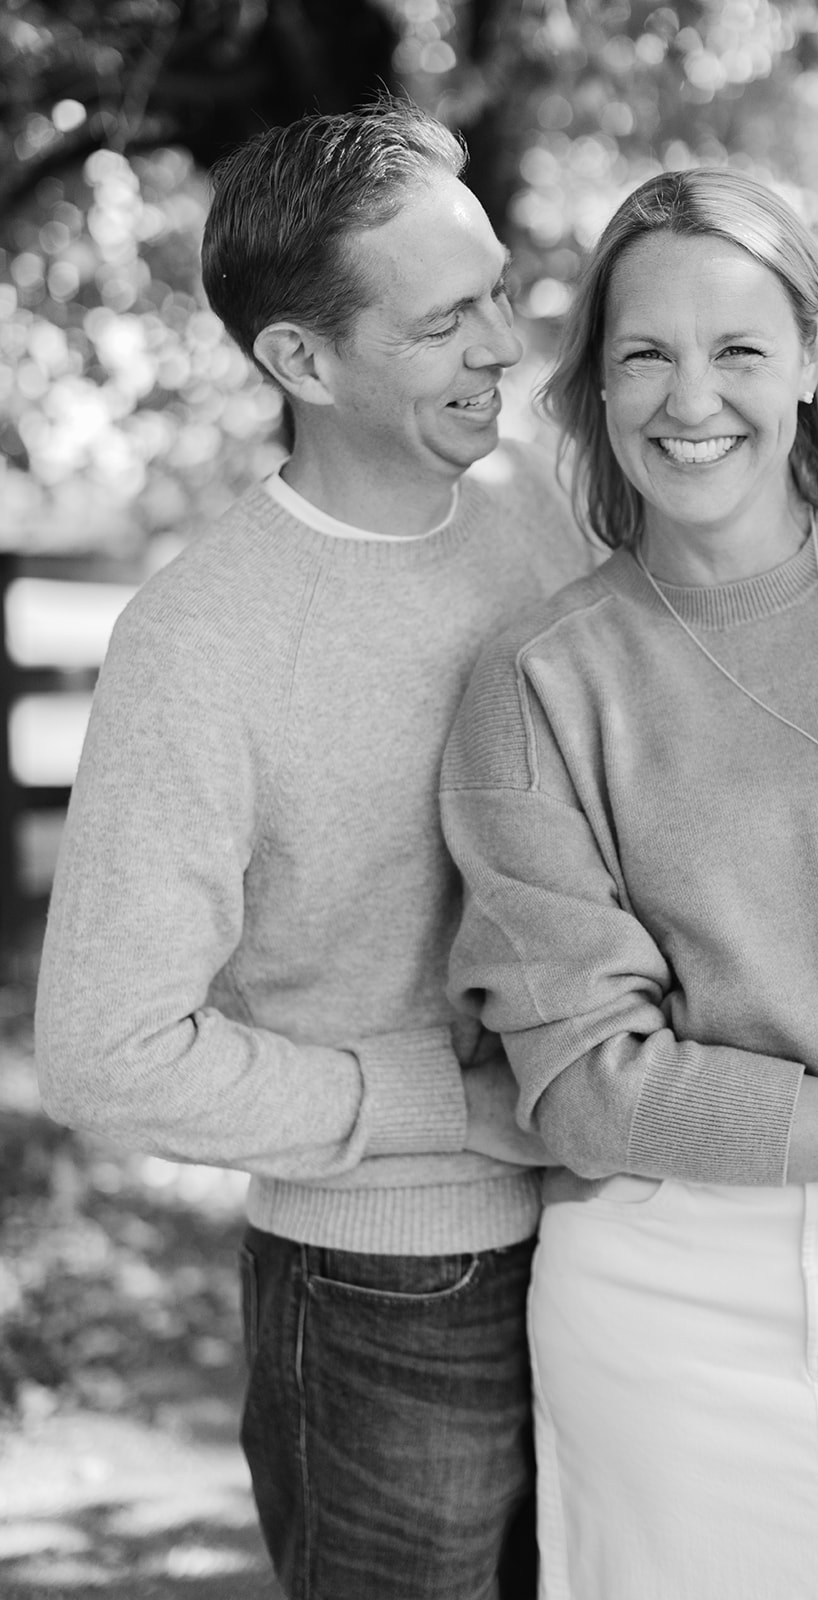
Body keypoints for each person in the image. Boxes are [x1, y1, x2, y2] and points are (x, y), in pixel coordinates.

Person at [439, 166, 818, 1600]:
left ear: (813, 358)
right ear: (594, 387)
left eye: (737, 349)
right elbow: (590, 1076)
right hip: (670, 1283)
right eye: (643, 353)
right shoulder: (541, 679)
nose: (689, 398)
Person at [34, 102, 591, 1600]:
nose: (503, 349)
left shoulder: (534, 522)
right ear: (301, 360)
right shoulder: (201, 638)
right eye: (444, 322)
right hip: (386, 1289)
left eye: (495, 295)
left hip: (615, 1236)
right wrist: (431, 1107)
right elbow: (106, 1050)